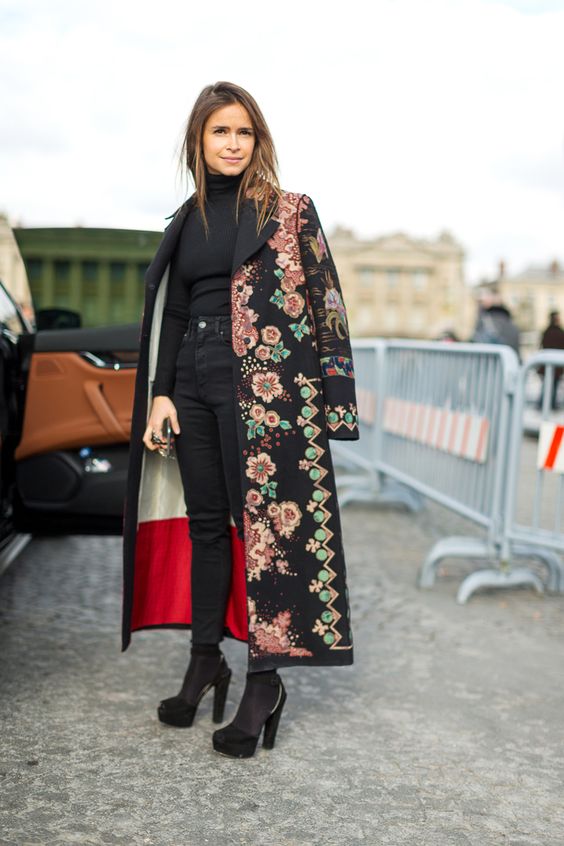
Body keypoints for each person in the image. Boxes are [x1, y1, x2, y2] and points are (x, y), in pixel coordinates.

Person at [121, 81, 359, 758]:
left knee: (265, 531)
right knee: (207, 525)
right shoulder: (185, 218)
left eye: (243, 132)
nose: (232, 143)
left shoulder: (289, 211)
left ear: (259, 141)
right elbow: (173, 309)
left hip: (265, 387)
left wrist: (335, 407)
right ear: (198, 140)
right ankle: (205, 660)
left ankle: (263, 682)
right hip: (192, 379)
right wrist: (161, 393)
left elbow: (328, 305)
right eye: (220, 131)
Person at [471, 288, 521, 362]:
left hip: (490, 362)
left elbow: (477, 339)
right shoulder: (510, 322)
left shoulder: (487, 320)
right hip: (511, 362)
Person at [537, 310, 564, 411]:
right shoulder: (559, 332)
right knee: (552, 385)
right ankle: (550, 404)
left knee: (547, 385)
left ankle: (543, 404)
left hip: (547, 364)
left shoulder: (547, 332)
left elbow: (542, 346)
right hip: (555, 365)